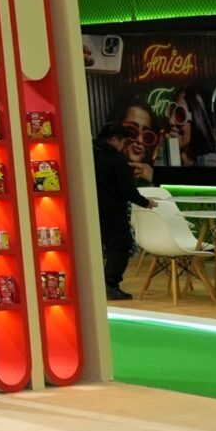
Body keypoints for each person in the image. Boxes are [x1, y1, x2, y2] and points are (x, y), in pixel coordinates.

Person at [93, 119, 140, 301]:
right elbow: (126, 189)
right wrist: (143, 202)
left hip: (91, 210)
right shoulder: (116, 160)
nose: (123, 146)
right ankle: (110, 284)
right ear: (114, 139)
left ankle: (96, 285)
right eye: (123, 142)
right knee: (120, 247)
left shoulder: (89, 155)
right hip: (113, 211)